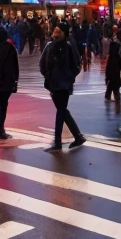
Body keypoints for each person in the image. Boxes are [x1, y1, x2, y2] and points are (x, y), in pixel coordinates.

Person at [40, 23, 85, 152]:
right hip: (53, 84)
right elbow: (42, 64)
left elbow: (77, 65)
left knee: (60, 111)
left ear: (64, 33)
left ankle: (58, 142)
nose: (55, 32)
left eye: (58, 31)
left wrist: (69, 77)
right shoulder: (49, 47)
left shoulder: (69, 48)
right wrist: (48, 77)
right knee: (62, 110)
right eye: (55, 30)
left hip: (63, 85)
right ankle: (77, 136)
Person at [104, 25, 121, 103]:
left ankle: (110, 94)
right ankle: (114, 94)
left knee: (113, 79)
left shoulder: (116, 42)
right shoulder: (114, 43)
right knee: (114, 79)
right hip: (114, 63)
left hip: (114, 63)